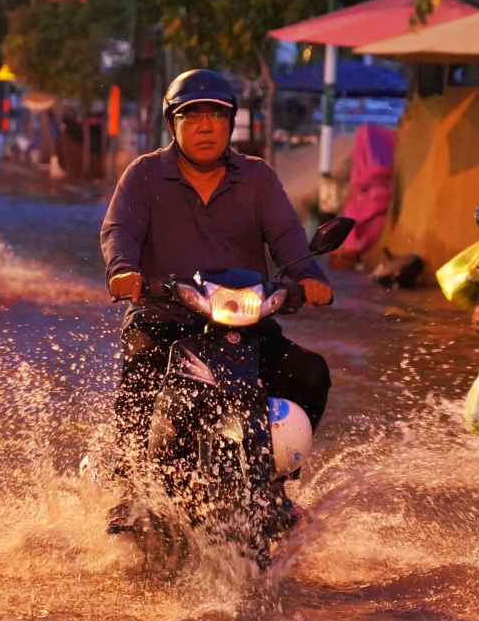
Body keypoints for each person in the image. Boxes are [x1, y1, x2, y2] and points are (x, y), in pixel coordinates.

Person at [100, 68, 334, 494]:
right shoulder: (144, 175)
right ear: (172, 125)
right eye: (192, 116)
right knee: (141, 378)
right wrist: (123, 271)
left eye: (216, 114)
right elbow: (120, 231)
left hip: (243, 324)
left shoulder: (258, 177)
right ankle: (128, 486)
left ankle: (279, 478)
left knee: (309, 373)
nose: (205, 125)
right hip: (164, 316)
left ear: (231, 123)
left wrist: (308, 275)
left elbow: (287, 236)